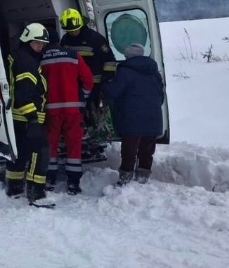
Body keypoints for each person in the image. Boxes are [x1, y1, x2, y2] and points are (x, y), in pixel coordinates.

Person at [4, 23, 55, 207]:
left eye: (42, 44)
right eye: (36, 43)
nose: (40, 47)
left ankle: (14, 187)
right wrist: (33, 118)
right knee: (40, 153)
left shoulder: (20, 56)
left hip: (18, 117)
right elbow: (23, 94)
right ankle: (36, 193)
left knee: (21, 154)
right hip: (27, 117)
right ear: (27, 41)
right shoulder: (27, 62)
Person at [101, 43, 165, 185]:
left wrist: (103, 83)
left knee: (129, 151)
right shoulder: (154, 72)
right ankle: (143, 178)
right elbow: (161, 96)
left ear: (127, 56)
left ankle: (125, 179)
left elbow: (113, 91)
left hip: (132, 118)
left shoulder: (125, 71)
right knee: (147, 151)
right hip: (153, 117)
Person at [40, 38, 94, 194]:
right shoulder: (73, 54)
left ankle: (49, 179)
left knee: (50, 145)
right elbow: (88, 79)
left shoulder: (41, 58)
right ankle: (73, 183)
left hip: (51, 110)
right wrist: (83, 96)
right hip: (73, 109)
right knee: (74, 145)